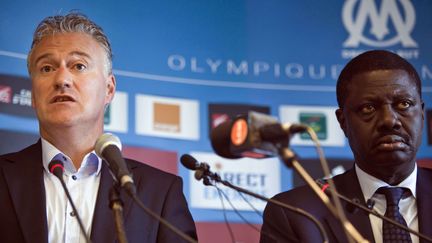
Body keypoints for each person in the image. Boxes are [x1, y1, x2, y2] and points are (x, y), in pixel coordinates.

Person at [0, 13, 197, 243]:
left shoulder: (159, 194)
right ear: (33, 95)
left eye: (79, 65)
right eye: (46, 68)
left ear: (109, 89)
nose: (62, 78)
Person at [260, 50, 432, 243]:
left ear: (422, 114)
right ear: (343, 121)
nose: (389, 120)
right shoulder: (296, 213)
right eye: (369, 108)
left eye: (404, 104)